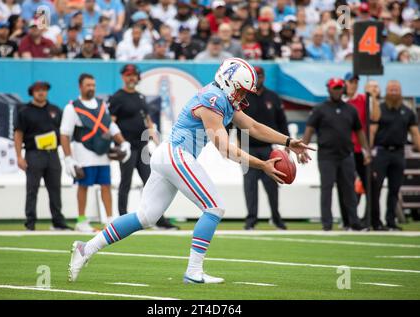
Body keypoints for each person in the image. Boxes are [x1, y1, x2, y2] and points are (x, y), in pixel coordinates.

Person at [68, 57, 314, 284]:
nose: (242, 96)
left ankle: (85, 248)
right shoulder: (213, 99)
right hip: (177, 155)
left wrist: (289, 142)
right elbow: (223, 148)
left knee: (145, 217)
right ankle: (194, 271)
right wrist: (262, 165)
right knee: (214, 207)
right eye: (240, 90)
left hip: (168, 155)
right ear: (228, 82)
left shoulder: (223, 98)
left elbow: (253, 126)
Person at [108, 64, 178, 230]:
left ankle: (158, 218)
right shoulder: (117, 97)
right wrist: (120, 142)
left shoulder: (140, 97)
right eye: (128, 75)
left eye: (134, 75)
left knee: (152, 181)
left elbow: (148, 121)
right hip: (127, 147)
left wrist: (158, 143)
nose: (131, 78)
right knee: (125, 182)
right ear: (123, 77)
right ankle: (122, 219)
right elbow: (110, 122)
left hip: (143, 147)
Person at [60, 73, 131, 232]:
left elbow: (110, 127)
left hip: (102, 151)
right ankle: (81, 221)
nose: (91, 88)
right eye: (88, 85)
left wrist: (123, 142)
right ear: (80, 86)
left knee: (106, 185)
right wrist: (68, 159)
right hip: (83, 152)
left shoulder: (102, 105)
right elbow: (65, 134)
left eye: (93, 85)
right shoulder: (72, 107)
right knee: (83, 186)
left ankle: (109, 220)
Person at [303, 78, 371, 231]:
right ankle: (327, 223)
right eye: (334, 88)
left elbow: (359, 131)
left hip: (346, 154)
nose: (337, 90)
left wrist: (366, 150)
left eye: (339, 87)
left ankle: (353, 221)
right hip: (327, 155)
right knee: (326, 189)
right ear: (328, 89)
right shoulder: (320, 109)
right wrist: (303, 148)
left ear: (343, 89)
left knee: (349, 190)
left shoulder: (350, 109)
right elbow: (309, 129)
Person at [14, 81, 72, 231]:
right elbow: (18, 134)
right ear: (32, 92)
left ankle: (58, 221)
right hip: (34, 154)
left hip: (52, 154)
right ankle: (30, 222)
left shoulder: (55, 110)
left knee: (55, 189)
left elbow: (63, 131)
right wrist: (19, 156)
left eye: (44, 90)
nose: (41, 92)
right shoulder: (24, 111)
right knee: (32, 189)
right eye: (38, 90)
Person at [238, 66, 289, 230]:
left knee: (272, 184)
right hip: (247, 145)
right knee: (250, 186)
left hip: (268, 148)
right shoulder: (244, 96)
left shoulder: (273, 97)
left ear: (264, 77)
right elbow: (233, 119)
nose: (258, 79)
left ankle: (276, 217)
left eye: (260, 76)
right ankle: (251, 220)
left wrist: (287, 143)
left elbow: (282, 121)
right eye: (256, 76)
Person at [370, 80, 420, 231]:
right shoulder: (380, 109)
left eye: (396, 89)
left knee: (394, 189)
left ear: (400, 92)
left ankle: (390, 220)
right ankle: (376, 221)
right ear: (386, 91)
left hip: (399, 152)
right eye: (391, 89)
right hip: (381, 152)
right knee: (376, 188)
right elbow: (372, 130)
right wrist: (369, 151)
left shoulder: (407, 111)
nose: (393, 92)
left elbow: (415, 132)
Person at [342, 72, 381, 229]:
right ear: (346, 83)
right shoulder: (341, 100)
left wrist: (374, 98)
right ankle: (349, 220)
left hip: (360, 149)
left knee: (370, 185)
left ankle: (372, 220)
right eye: (351, 81)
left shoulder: (364, 100)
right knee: (347, 186)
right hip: (345, 148)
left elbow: (376, 117)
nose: (354, 84)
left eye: (355, 81)